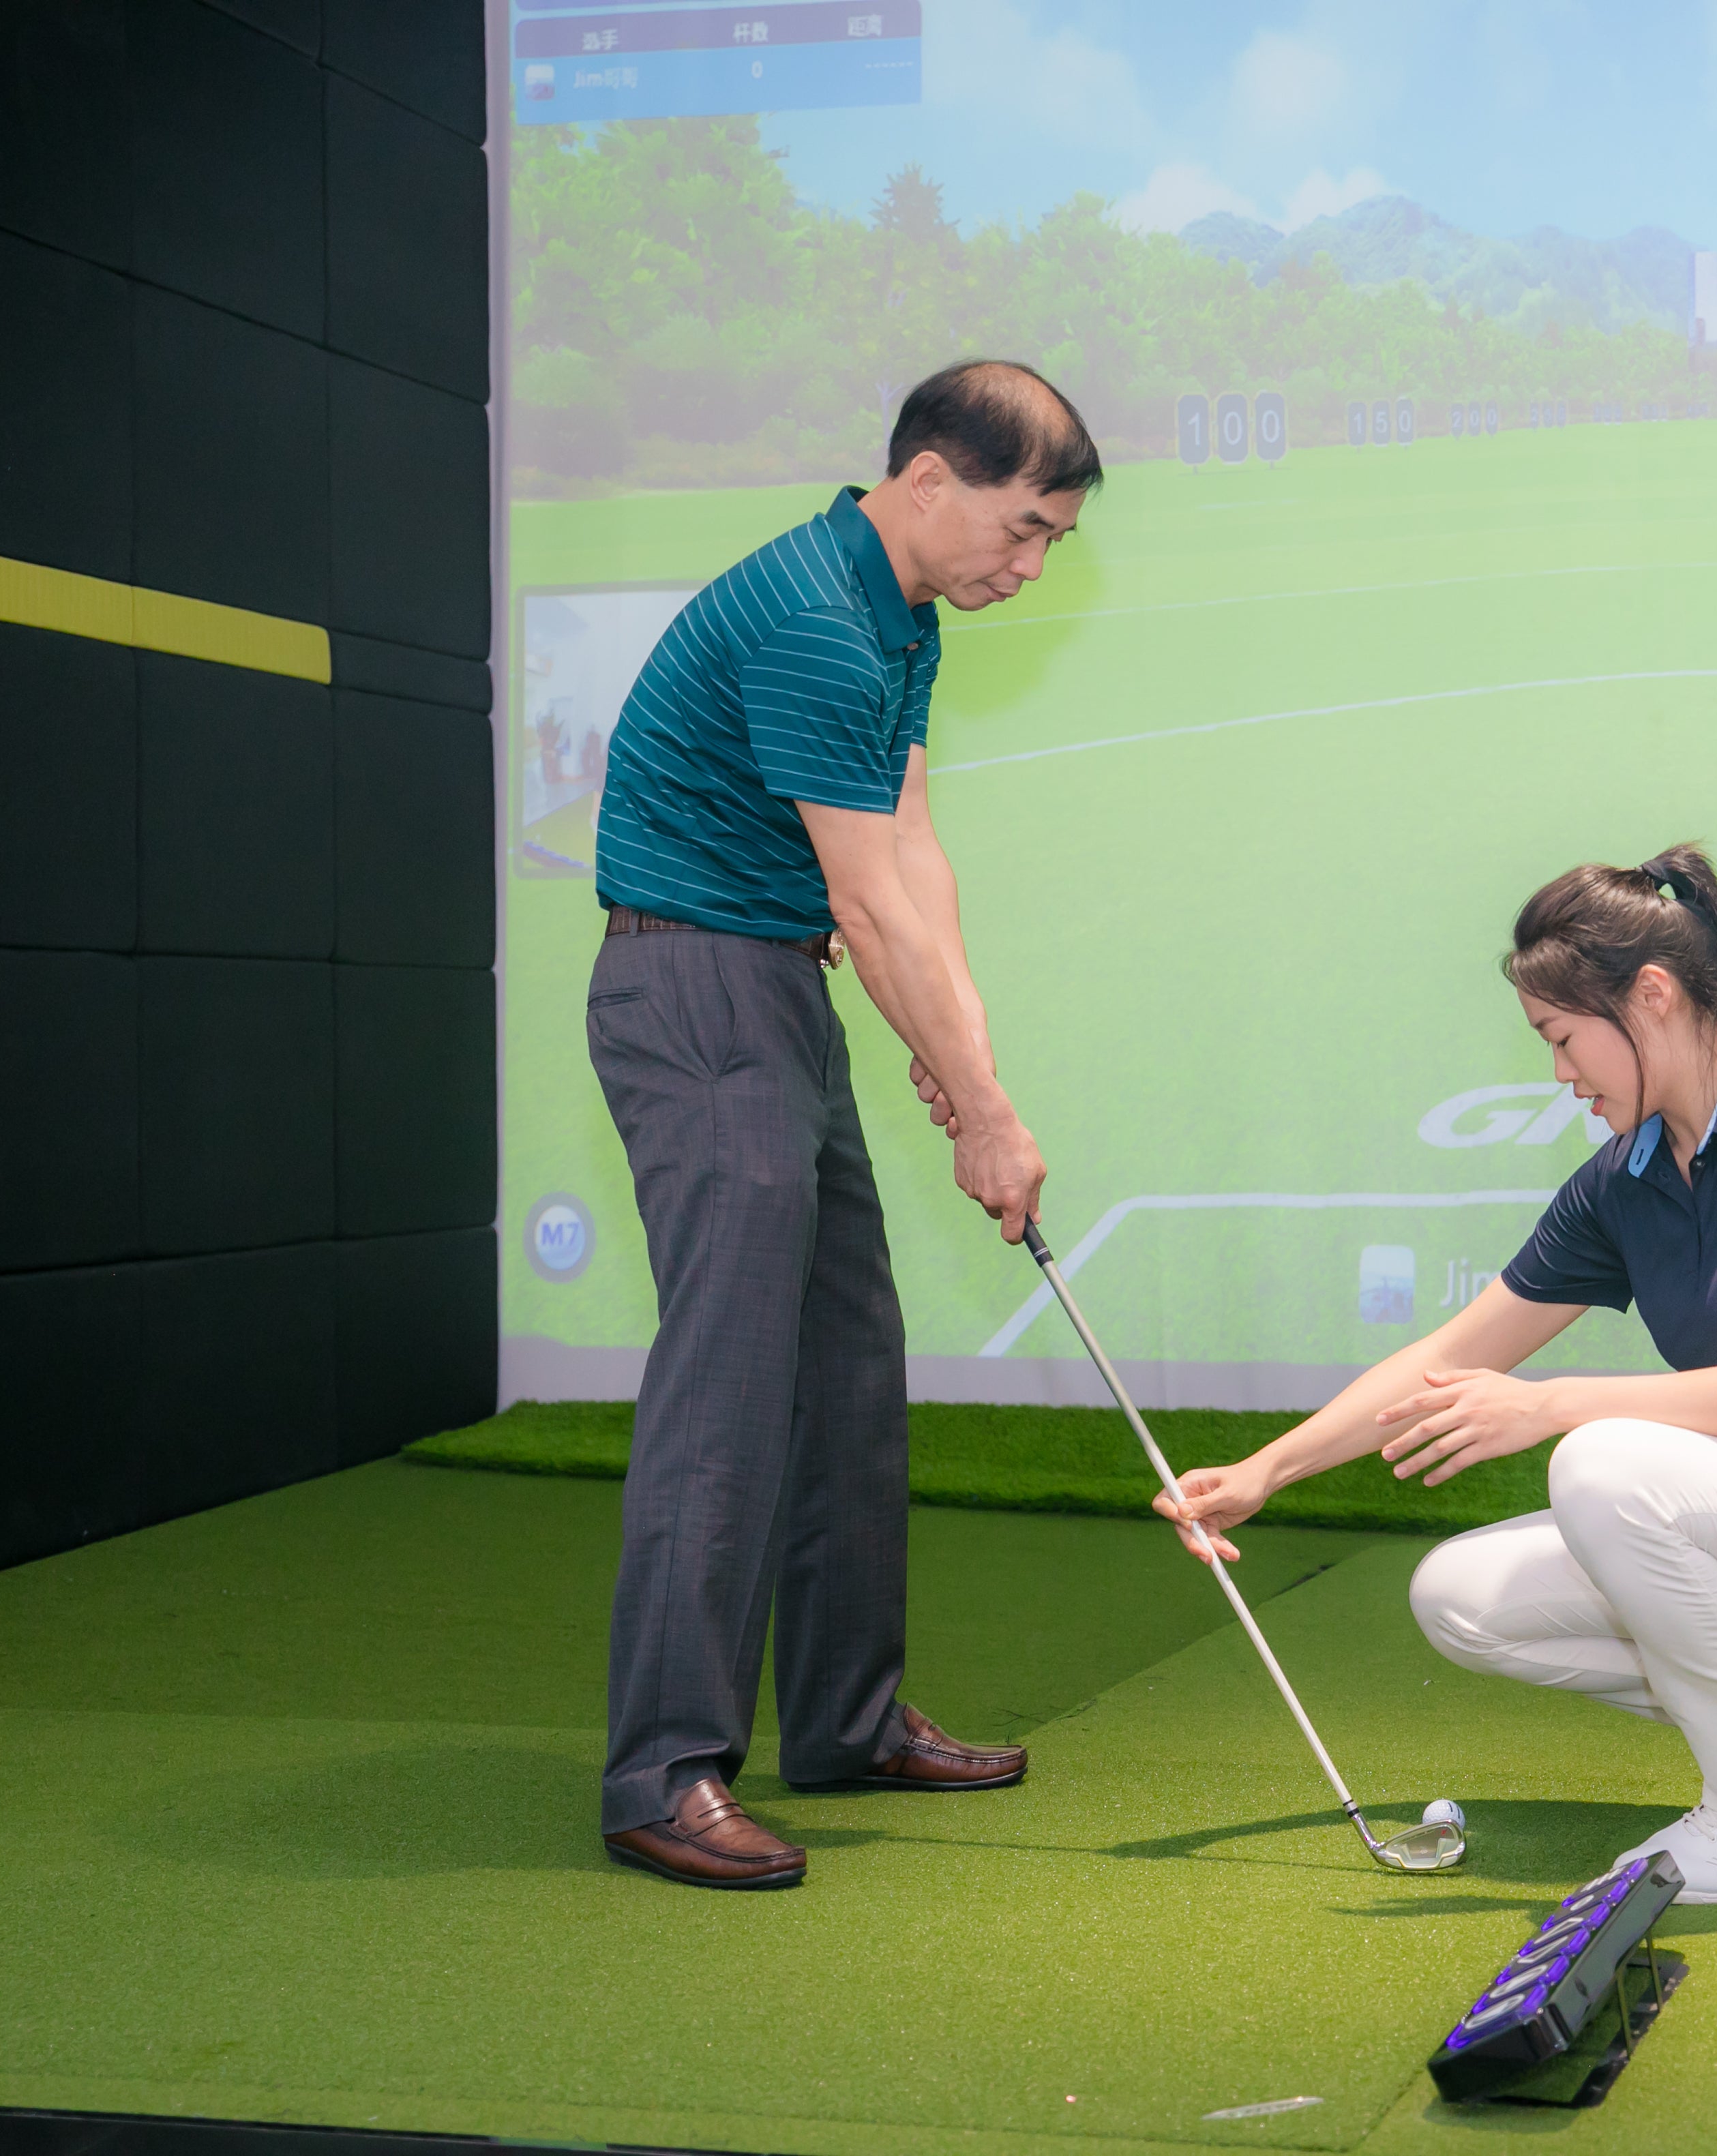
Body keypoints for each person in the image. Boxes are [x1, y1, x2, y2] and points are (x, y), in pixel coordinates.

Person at [1159, 847, 1717, 1904]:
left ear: (1653, 996)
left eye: (1563, 1037)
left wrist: (1550, 1406)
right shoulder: (1623, 1180)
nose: (1561, 1072)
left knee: (1604, 1463)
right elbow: (1449, 1356)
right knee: (1461, 1598)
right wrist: (1267, 1468)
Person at [582, 360, 1099, 1890]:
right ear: (928, 479)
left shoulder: (903, 617)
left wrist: (966, 1071)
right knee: (730, 1391)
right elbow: (866, 905)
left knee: (844, 1371)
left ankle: (844, 1715)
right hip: (693, 993)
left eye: (1051, 546)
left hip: (773, 994)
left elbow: (912, 854)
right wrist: (983, 1116)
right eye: (1021, 531)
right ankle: (661, 1770)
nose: (1028, 565)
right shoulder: (814, 616)